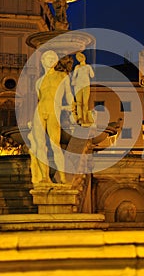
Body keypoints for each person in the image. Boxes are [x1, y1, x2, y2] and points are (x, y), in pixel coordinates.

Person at [29, 50, 74, 186]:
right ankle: (44, 178)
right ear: (42, 61)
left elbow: (68, 94)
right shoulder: (38, 81)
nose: (49, 60)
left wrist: (72, 106)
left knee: (56, 145)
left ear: (55, 61)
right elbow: (39, 99)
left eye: (52, 58)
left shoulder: (62, 76)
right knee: (40, 146)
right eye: (47, 58)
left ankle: (63, 177)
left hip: (54, 111)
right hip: (39, 112)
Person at [72, 52, 94, 125]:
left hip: (86, 85)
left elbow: (92, 75)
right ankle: (80, 118)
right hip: (78, 85)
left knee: (85, 103)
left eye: (80, 57)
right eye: (78, 58)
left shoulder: (88, 66)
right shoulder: (77, 67)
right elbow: (74, 76)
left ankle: (84, 118)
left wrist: (90, 69)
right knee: (79, 103)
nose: (79, 59)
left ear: (83, 57)